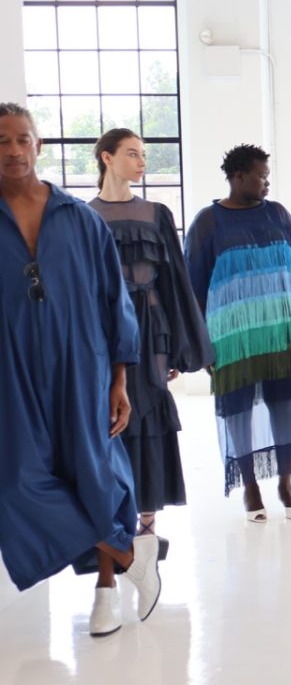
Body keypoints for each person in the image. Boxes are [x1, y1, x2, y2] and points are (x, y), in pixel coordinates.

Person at [0, 103, 161, 637]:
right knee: (18, 482)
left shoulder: (79, 217)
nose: (14, 150)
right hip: (12, 371)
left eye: (23, 139)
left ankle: (107, 590)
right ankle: (127, 550)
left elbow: (114, 300)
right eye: (3, 141)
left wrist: (119, 379)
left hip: (83, 364)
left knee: (92, 475)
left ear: (39, 146)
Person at [89, 128, 214, 542]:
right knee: (107, 419)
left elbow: (176, 282)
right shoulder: (83, 215)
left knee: (150, 416)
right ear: (107, 158)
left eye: (143, 154)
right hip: (104, 332)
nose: (142, 162)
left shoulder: (158, 214)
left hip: (153, 330)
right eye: (132, 154)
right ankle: (113, 526)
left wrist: (181, 345)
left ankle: (146, 528)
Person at [184, 144, 291, 521]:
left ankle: (286, 483)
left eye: (268, 176)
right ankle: (250, 487)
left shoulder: (279, 215)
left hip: (281, 330)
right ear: (237, 176)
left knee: (286, 405)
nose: (266, 182)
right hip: (231, 336)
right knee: (237, 407)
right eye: (260, 175)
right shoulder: (207, 222)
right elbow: (194, 289)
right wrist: (201, 342)